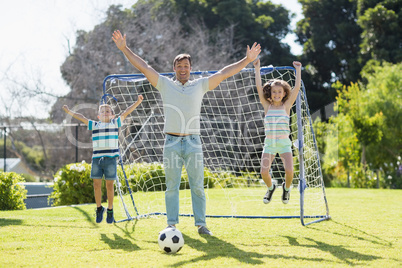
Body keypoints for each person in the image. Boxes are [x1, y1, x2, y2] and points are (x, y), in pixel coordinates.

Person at [112, 29, 261, 235]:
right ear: (174, 68)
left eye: (186, 66)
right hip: (171, 143)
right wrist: (124, 48)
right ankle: (171, 224)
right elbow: (144, 66)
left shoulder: (200, 85)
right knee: (171, 186)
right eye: (179, 66)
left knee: (197, 186)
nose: (183, 69)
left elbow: (225, 72)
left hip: (193, 142)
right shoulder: (164, 84)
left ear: (191, 68)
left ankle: (201, 224)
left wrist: (246, 59)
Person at [62, 95, 143, 223]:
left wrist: (138, 102)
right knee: (96, 185)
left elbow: (126, 111)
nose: (105, 113)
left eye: (108, 111)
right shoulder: (95, 125)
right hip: (97, 160)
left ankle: (110, 210)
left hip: (110, 160)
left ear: (112, 115)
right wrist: (69, 112)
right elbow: (81, 117)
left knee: (109, 186)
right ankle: (99, 208)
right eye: (102, 111)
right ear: (98, 116)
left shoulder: (115, 123)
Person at [253, 59, 302, 204]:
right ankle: (271, 187)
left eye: (279, 92)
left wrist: (298, 71)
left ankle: (286, 189)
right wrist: (257, 69)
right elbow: (258, 86)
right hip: (270, 144)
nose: (276, 94)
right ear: (270, 93)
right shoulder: (267, 106)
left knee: (289, 171)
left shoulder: (286, 106)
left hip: (284, 144)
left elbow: (297, 88)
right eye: (274, 91)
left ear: (284, 93)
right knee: (264, 172)